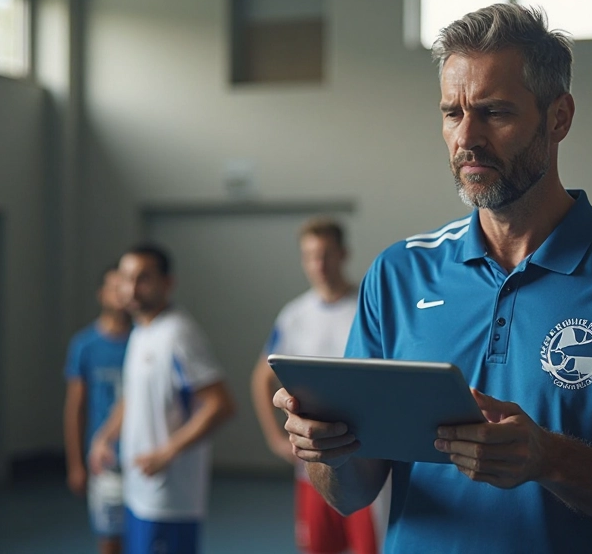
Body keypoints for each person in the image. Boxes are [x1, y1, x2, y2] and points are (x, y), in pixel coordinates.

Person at [272, 3, 592, 554]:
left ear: (559, 117)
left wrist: (549, 459)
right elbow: (351, 492)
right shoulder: (399, 274)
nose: (467, 138)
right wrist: (327, 451)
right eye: (452, 113)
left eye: (494, 113)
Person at [251, 217, 388, 554]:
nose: (319, 264)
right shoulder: (294, 316)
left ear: (343, 254)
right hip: (312, 465)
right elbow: (261, 376)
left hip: (364, 460)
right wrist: (273, 437)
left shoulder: (368, 308)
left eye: (326, 254)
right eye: (311, 255)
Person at [90, 244, 236, 554]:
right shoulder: (142, 330)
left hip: (170, 500)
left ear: (167, 283)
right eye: (126, 278)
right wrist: (105, 436)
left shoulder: (178, 335)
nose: (132, 288)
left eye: (143, 278)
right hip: (138, 490)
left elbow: (220, 405)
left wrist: (167, 453)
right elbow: (132, 395)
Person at [64, 265, 132, 554]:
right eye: (113, 287)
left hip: (141, 456)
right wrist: (76, 463)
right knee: (109, 539)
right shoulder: (85, 345)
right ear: (101, 294)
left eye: (125, 286)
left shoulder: (144, 339)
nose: (120, 294)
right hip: (104, 461)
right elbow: (75, 407)